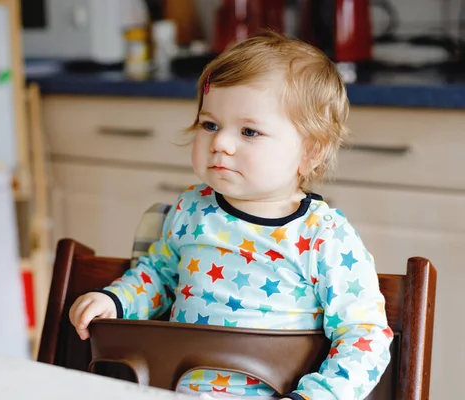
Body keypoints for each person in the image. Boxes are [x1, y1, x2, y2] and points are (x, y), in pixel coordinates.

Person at [69, 30, 393, 400]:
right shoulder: (191, 209)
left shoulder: (324, 236)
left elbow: (364, 335)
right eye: (210, 125)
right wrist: (117, 300)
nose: (220, 142)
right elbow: (158, 275)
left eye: (249, 131)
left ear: (311, 152)